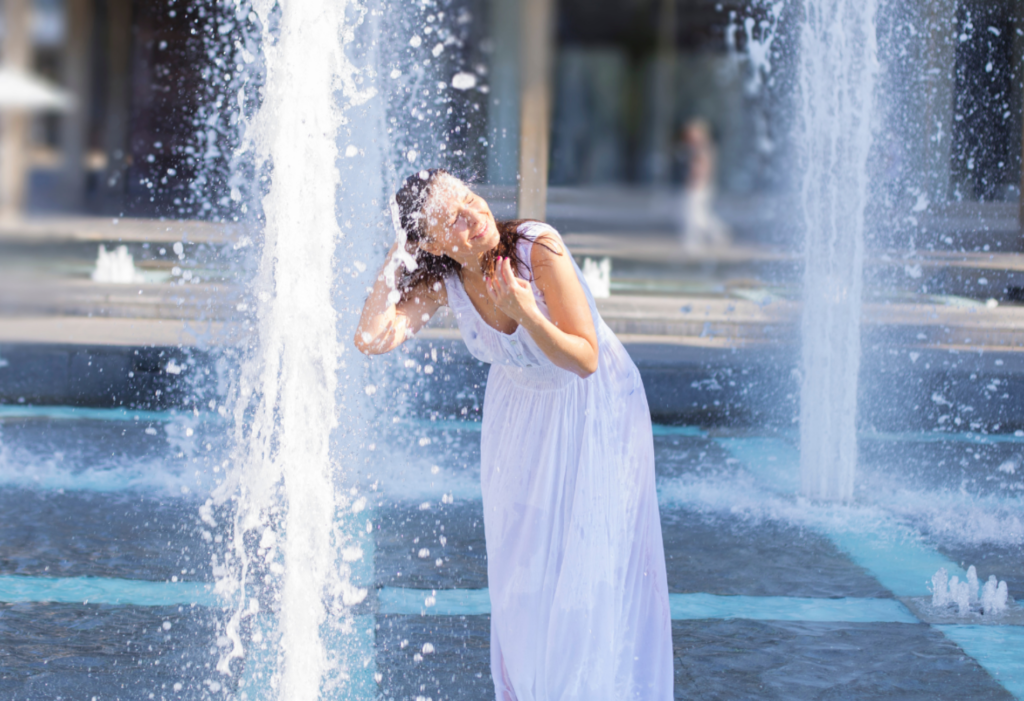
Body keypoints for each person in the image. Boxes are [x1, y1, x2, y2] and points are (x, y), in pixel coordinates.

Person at [355, 169, 673, 701]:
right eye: (452, 219)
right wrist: (398, 251)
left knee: (588, 565)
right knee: (521, 569)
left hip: (591, 411)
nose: (474, 215)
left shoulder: (536, 248)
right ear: (432, 244)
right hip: (518, 422)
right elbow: (370, 337)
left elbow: (586, 359)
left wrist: (525, 312)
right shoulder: (447, 279)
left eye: (472, 199)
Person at [675, 118, 731, 252]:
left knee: (694, 214)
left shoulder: (703, 148)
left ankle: (699, 240)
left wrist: (697, 181)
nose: (688, 137)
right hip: (698, 184)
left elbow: (702, 168)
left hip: (699, 185)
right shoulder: (695, 148)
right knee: (697, 214)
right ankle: (713, 235)